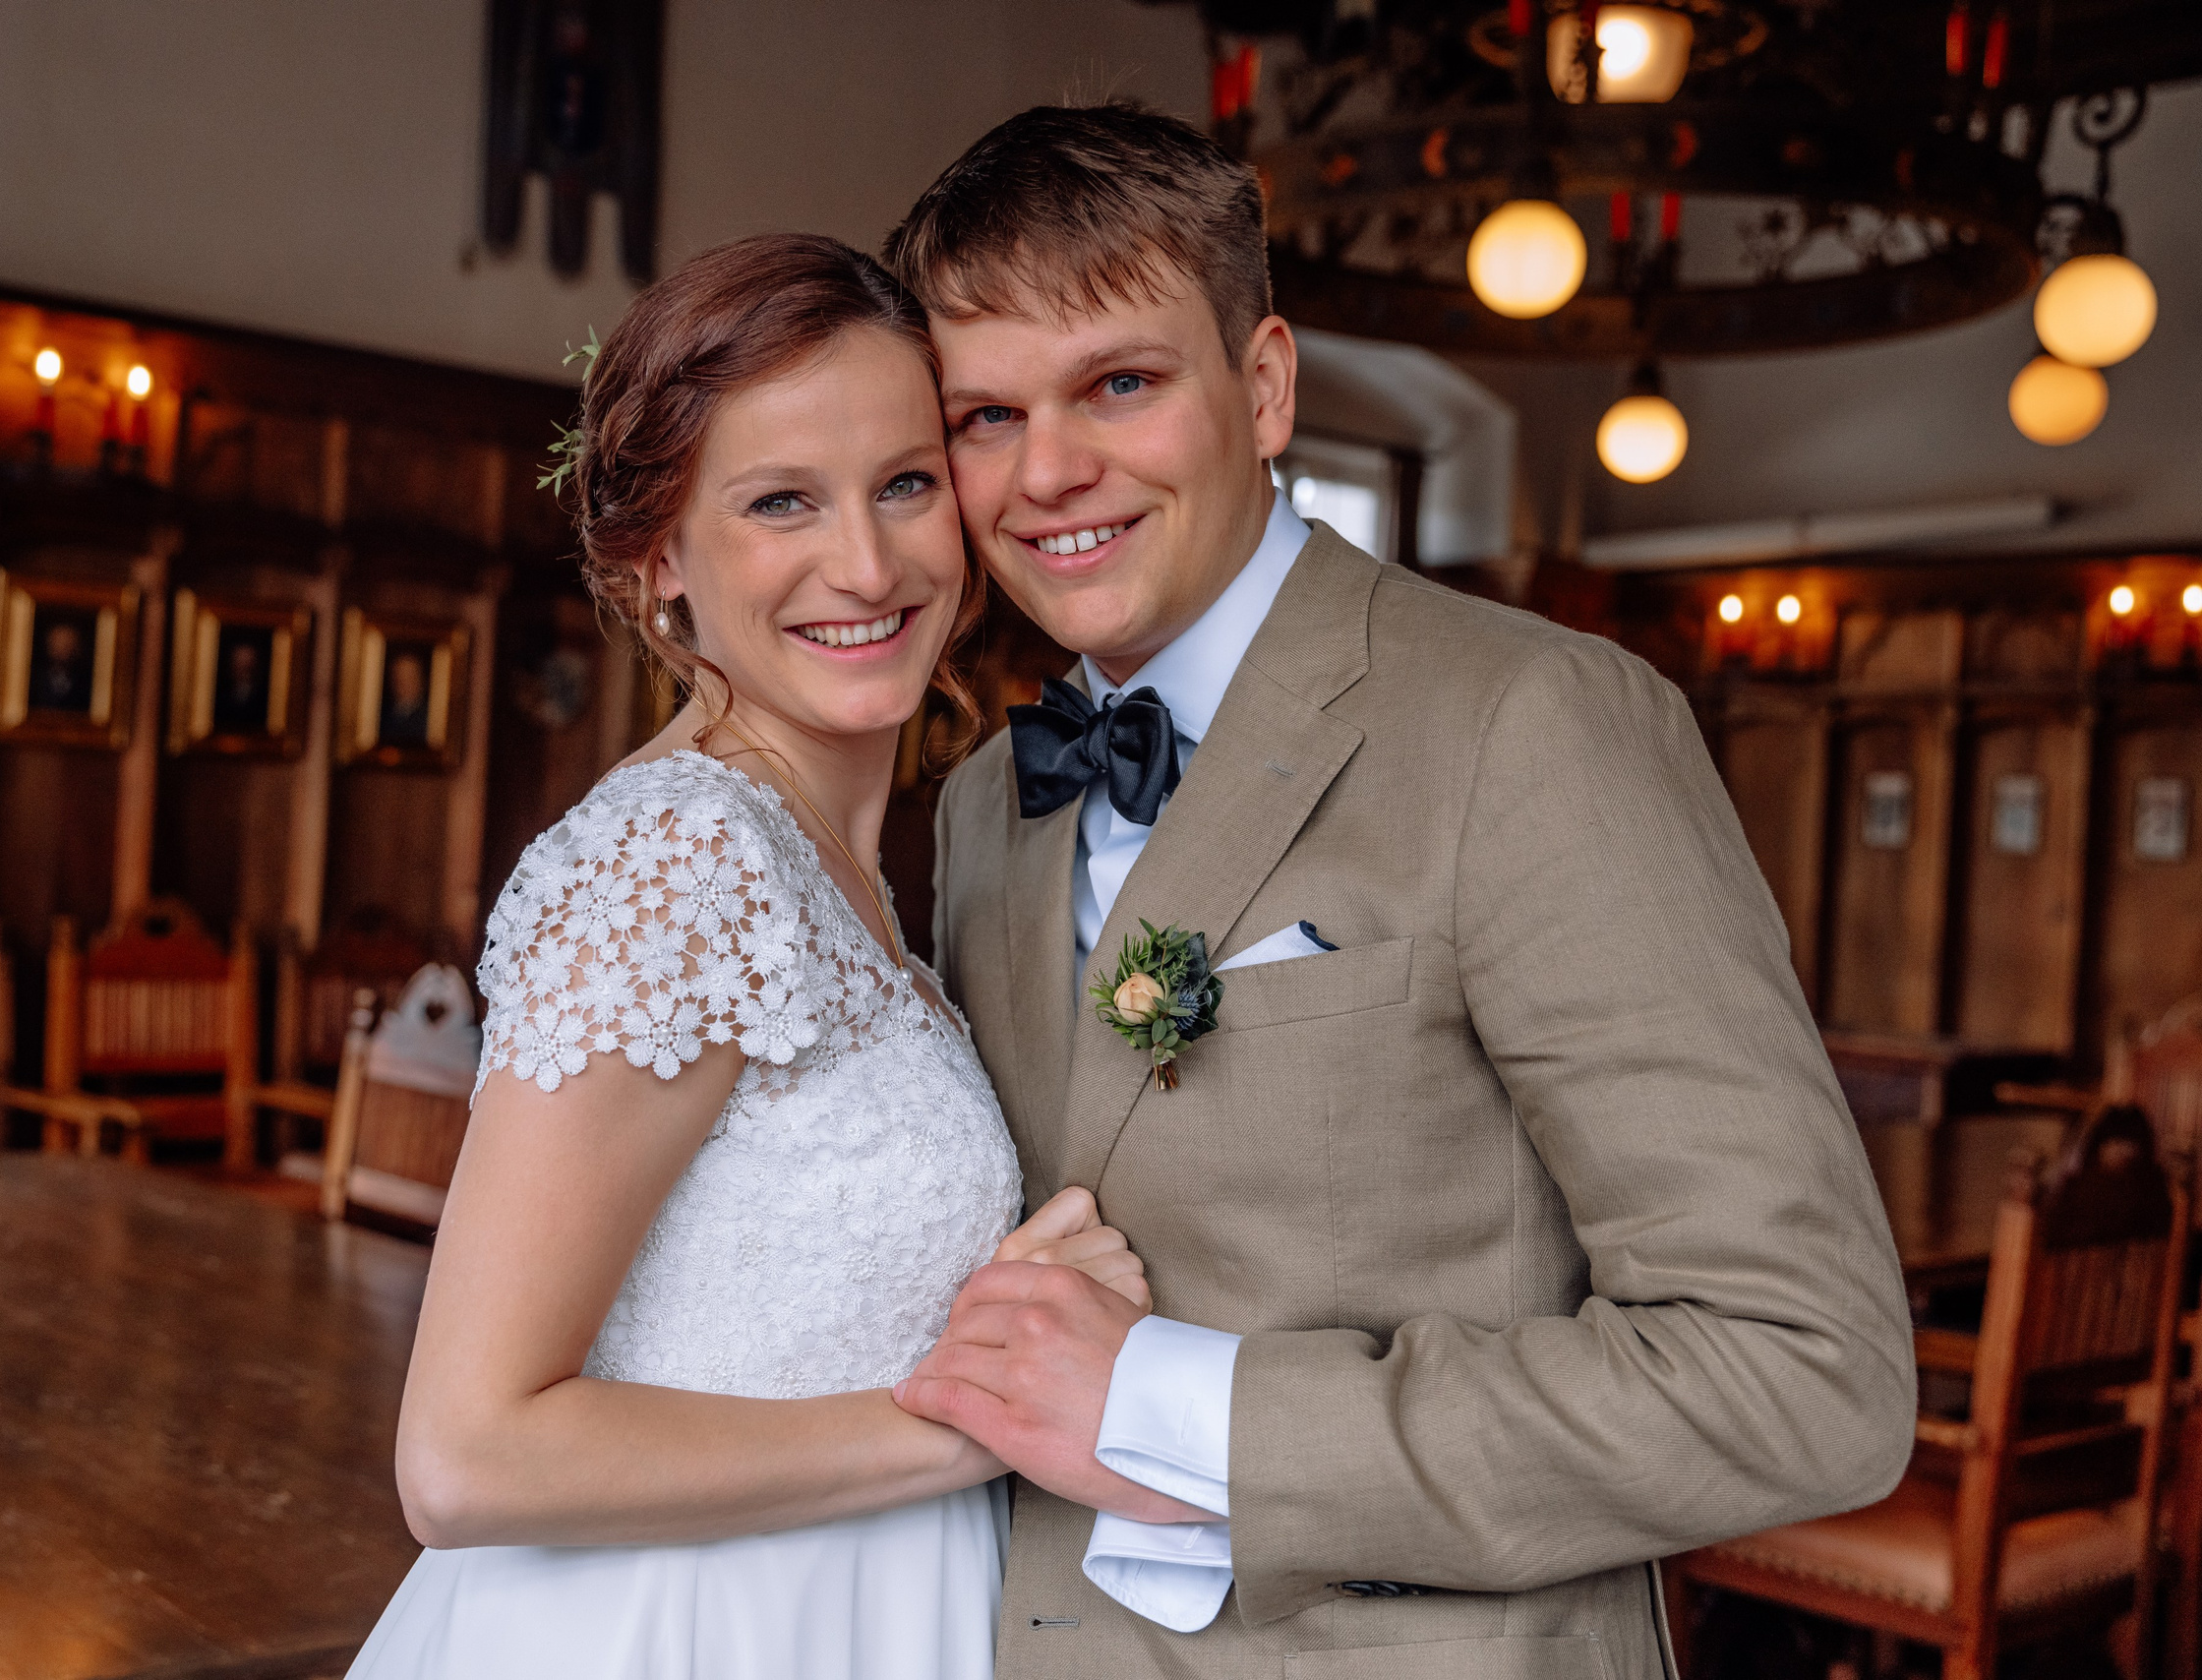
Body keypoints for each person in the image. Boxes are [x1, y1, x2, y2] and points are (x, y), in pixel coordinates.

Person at [889, 103, 1917, 1677]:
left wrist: (1174, 1410)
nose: (1049, 472)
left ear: (1265, 383)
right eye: (984, 418)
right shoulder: (981, 804)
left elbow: (1805, 1375)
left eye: (1122, 383)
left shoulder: (1536, 723)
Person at [344, 232, 1152, 1680]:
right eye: (782, 501)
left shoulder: (858, 858)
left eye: (906, 483)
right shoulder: (680, 866)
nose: (867, 561)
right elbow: (466, 1457)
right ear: (661, 558)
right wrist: (970, 1417)